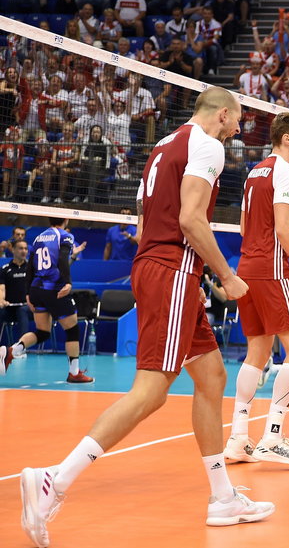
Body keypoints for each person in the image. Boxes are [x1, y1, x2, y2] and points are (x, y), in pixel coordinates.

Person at [14, 88, 274, 548]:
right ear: (224, 113)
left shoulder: (162, 146)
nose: (240, 129)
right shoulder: (208, 144)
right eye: (239, 120)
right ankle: (55, 479)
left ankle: (222, 499)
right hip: (172, 269)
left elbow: (142, 219)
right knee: (151, 392)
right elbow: (193, 220)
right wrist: (228, 277)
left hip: (166, 269)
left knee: (212, 376)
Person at [223, 113, 289, 465]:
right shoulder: (288, 171)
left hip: (248, 267)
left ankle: (238, 438)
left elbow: (246, 228)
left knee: (257, 353)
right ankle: (272, 438)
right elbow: (282, 227)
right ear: (285, 139)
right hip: (273, 272)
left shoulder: (256, 171)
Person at [0, 217, 92, 384]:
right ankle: (74, 373)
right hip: (54, 289)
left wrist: (28, 292)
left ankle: (11, 351)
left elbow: (30, 267)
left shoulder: (39, 237)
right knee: (72, 330)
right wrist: (68, 282)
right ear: (66, 219)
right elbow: (63, 259)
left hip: (37, 289)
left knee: (43, 332)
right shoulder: (65, 236)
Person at [0, 239, 32, 344]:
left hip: (29, 308)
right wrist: (2, 301)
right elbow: (1, 289)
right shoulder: (5, 269)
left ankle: (21, 347)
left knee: (22, 310)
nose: (24, 251)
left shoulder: (32, 269)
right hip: (11, 308)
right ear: (13, 250)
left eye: (26, 249)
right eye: (20, 248)